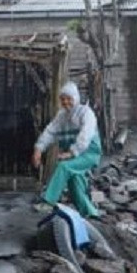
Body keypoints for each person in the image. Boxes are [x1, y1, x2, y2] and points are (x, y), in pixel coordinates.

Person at [31, 82, 102, 218]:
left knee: (63, 167)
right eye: (63, 99)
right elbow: (50, 132)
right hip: (74, 155)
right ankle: (92, 215)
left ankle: (48, 201)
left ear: (76, 98)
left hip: (89, 154)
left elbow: (85, 136)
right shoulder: (62, 116)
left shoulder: (86, 113)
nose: (65, 102)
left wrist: (71, 152)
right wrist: (38, 149)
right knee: (75, 186)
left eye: (69, 98)